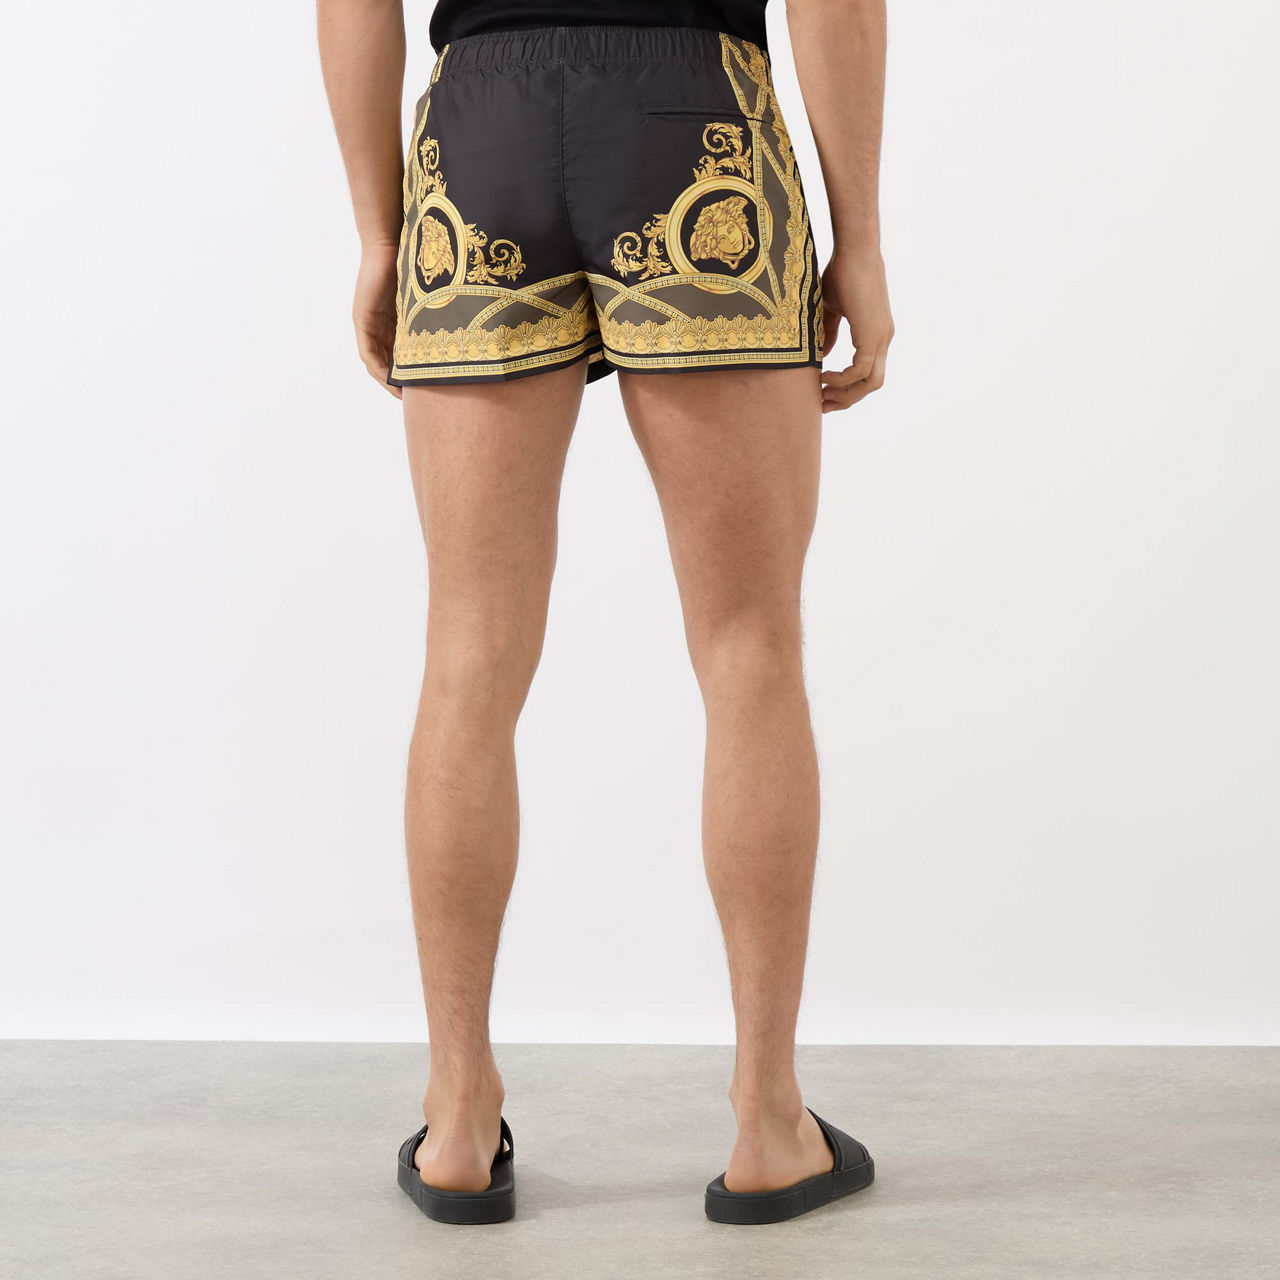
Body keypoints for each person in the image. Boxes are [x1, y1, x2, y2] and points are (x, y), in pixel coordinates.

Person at [318, 0, 893, 1226]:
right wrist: (862, 236)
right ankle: (767, 1121)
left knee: (467, 654)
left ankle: (458, 1118)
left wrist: (375, 228)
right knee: (747, 647)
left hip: (480, 135)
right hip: (693, 126)